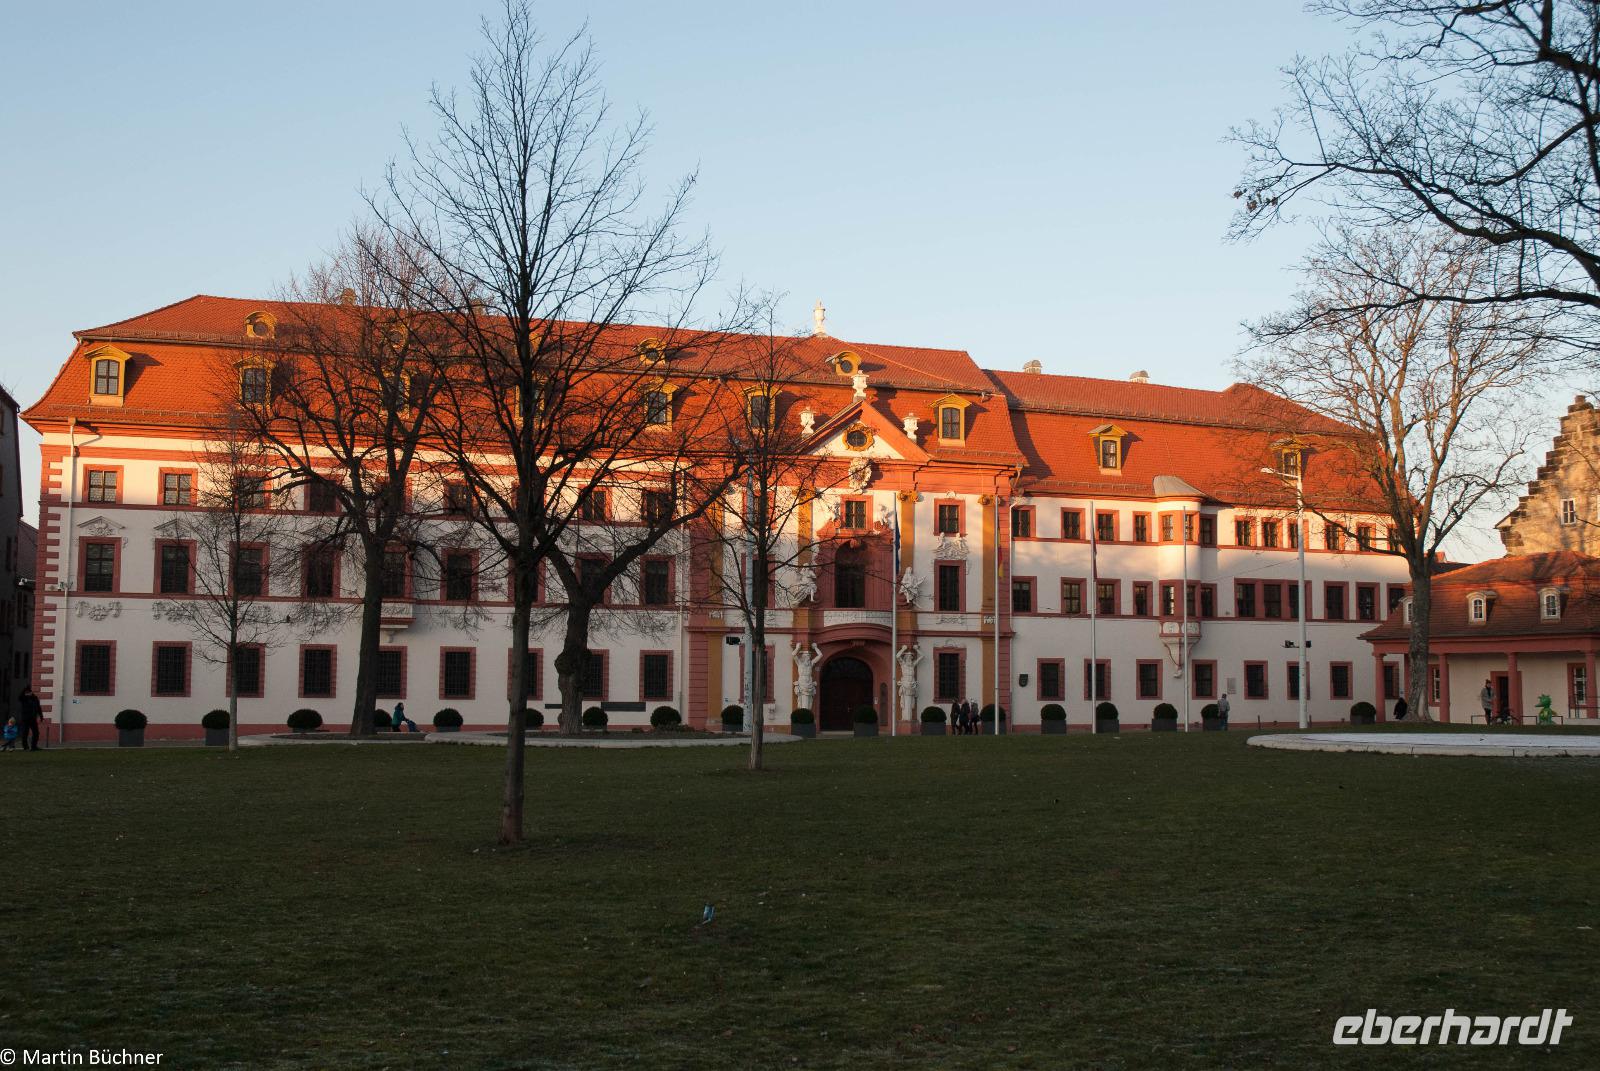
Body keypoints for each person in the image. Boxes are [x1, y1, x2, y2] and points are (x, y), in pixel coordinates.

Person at [18, 685, 43, 751]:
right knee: (25, 733)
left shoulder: (35, 698)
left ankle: (34, 746)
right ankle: (25, 747)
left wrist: (41, 716)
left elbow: (38, 708)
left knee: (36, 733)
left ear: (31, 692)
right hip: (25, 719)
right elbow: (20, 697)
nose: (28, 693)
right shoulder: (23, 698)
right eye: (27, 692)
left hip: (33, 718)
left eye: (29, 692)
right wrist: (25, 689)